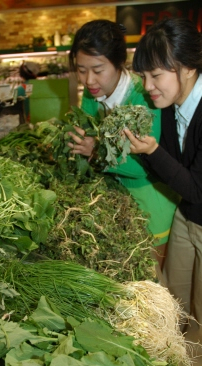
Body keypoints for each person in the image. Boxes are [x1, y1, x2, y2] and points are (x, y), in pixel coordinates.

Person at [123, 17, 202, 366]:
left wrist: (152, 150)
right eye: (144, 76)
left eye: (155, 75)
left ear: (186, 67)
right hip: (188, 215)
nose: (147, 86)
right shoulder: (171, 108)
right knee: (173, 298)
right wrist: (143, 150)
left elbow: (197, 186)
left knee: (200, 314)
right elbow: (170, 171)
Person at [67, 19, 179, 270]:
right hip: (118, 204)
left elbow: (145, 165)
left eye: (97, 69)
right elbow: (86, 129)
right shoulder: (91, 93)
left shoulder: (145, 97)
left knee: (155, 287)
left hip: (152, 206)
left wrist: (95, 151)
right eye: (81, 70)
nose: (89, 80)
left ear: (119, 63)